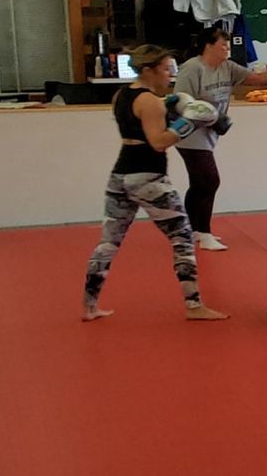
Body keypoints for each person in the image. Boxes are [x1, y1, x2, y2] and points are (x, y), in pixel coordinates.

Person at [82, 44, 227, 323]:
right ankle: (194, 306)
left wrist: (169, 107)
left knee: (108, 242)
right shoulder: (148, 101)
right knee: (183, 238)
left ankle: (89, 306)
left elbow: (138, 125)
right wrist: (189, 123)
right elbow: (158, 143)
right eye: (164, 70)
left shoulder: (121, 95)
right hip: (148, 177)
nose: (169, 75)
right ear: (148, 70)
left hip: (120, 176)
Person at [172, 24, 267, 251]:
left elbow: (256, 79)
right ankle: (205, 233)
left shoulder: (227, 67)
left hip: (208, 134)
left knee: (199, 183)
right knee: (210, 180)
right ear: (208, 46)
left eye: (228, 45)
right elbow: (180, 101)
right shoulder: (193, 68)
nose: (227, 49)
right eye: (222, 45)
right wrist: (209, 117)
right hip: (189, 132)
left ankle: (193, 230)